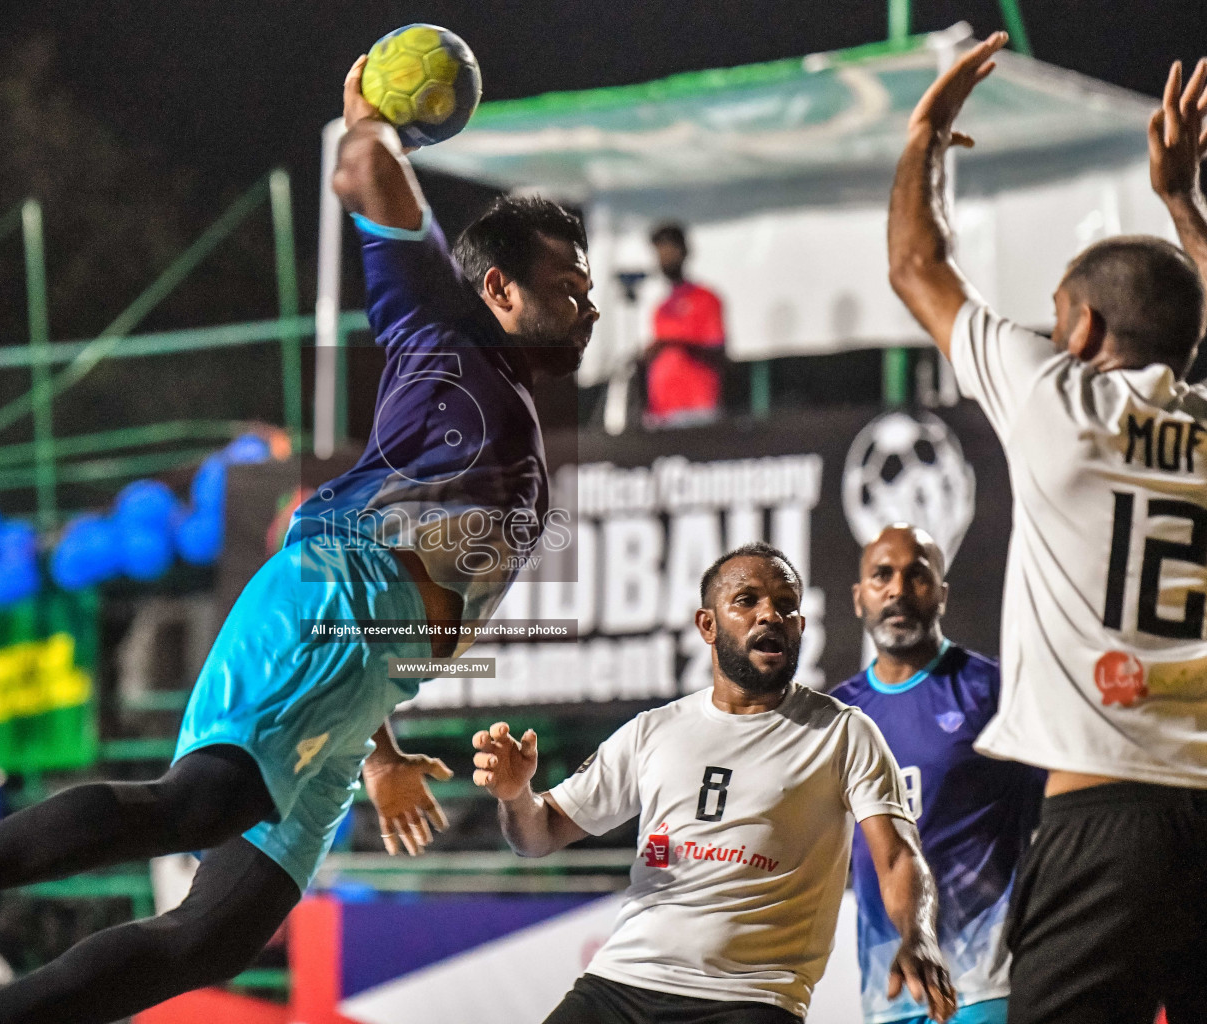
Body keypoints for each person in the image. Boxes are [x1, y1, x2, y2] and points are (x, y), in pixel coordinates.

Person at [0, 51, 598, 1024]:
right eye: (569, 281)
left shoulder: (499, 398)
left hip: (361, 671)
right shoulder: (451, 329)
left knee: (215, 934)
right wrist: (368, 120)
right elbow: (361, 177)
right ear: (503, 291)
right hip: (331, 596)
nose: (589, 303)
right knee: (195, 804)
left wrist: (382, 745)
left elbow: (419, 590)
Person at [888, 36, 1207, 1023]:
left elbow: (914, 263)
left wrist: (925, 135)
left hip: (1103, 815)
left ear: (1080, 333)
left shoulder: (1059, 400)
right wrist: (1184, 204)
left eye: (1058, 310)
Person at [473, 542, 957, 1024]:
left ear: (800, 628)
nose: (770, 614)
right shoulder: (655, 729)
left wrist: (918, 936)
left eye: (786, 605)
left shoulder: (843, 732)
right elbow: (537, 837)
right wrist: (517, 796)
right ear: (707, 625)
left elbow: (897, 856)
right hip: (621, 984)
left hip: (752, 998)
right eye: (747, 601)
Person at [832, 525, 1045, 1024]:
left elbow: (1059, 812)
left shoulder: (995, 691)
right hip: (885, 994)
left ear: (942, 595)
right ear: (859, 596)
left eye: (917, 576)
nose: (898, 590)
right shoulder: (838, 715)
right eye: (882, 575)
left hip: (985, 985)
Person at [644, 223, 728, 426]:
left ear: (684, 252)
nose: (664, 258)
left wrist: (672, 343)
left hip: (696, 408)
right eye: (660, 252)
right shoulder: (661, 307)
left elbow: (717, 351)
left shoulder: (705, 299)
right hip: (661, 410)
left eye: (669, 251)